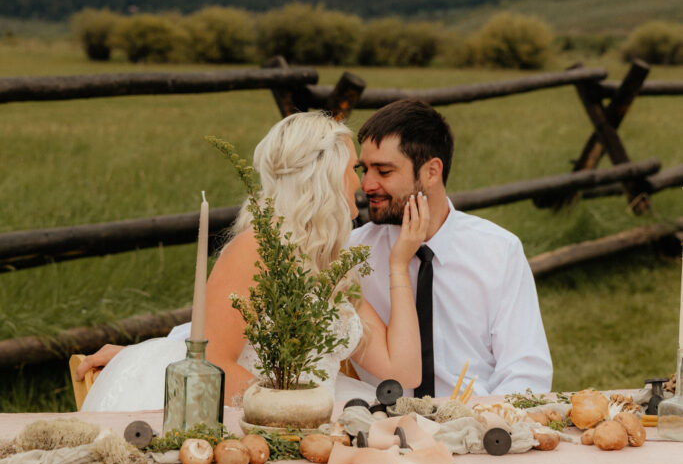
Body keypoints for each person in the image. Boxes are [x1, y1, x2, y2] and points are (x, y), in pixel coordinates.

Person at [77, 111, 428, 410]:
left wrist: (400, 264)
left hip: (316, 417)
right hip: (249, 417)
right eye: (354, 168)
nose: (362, 182)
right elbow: (214, 362)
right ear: (327, 174)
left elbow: (404, 371)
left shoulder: (329, 265)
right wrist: (296, 413)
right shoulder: (256, 247)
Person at [348, 99, 552, 398]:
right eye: (364, 169)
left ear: (431, 172)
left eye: (384, 171)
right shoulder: (353, 254)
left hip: (478, 423)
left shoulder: (498, 249)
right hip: (380, 429)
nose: (366, 185)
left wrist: (488, 424)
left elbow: (525, 369)